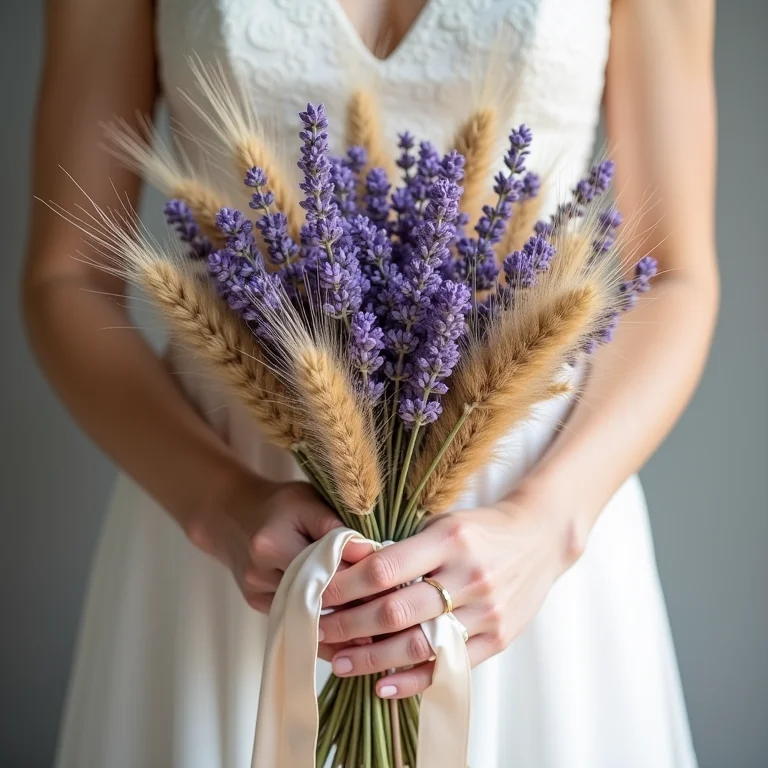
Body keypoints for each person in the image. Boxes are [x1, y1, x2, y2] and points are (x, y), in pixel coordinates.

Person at [23, 0, 717, 766]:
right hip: (232, 522)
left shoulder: (541, 532)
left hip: (526, 546)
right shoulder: (221, 509)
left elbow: (672, 274)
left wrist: (550, 522)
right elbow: (68, 276)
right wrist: (215, 501)